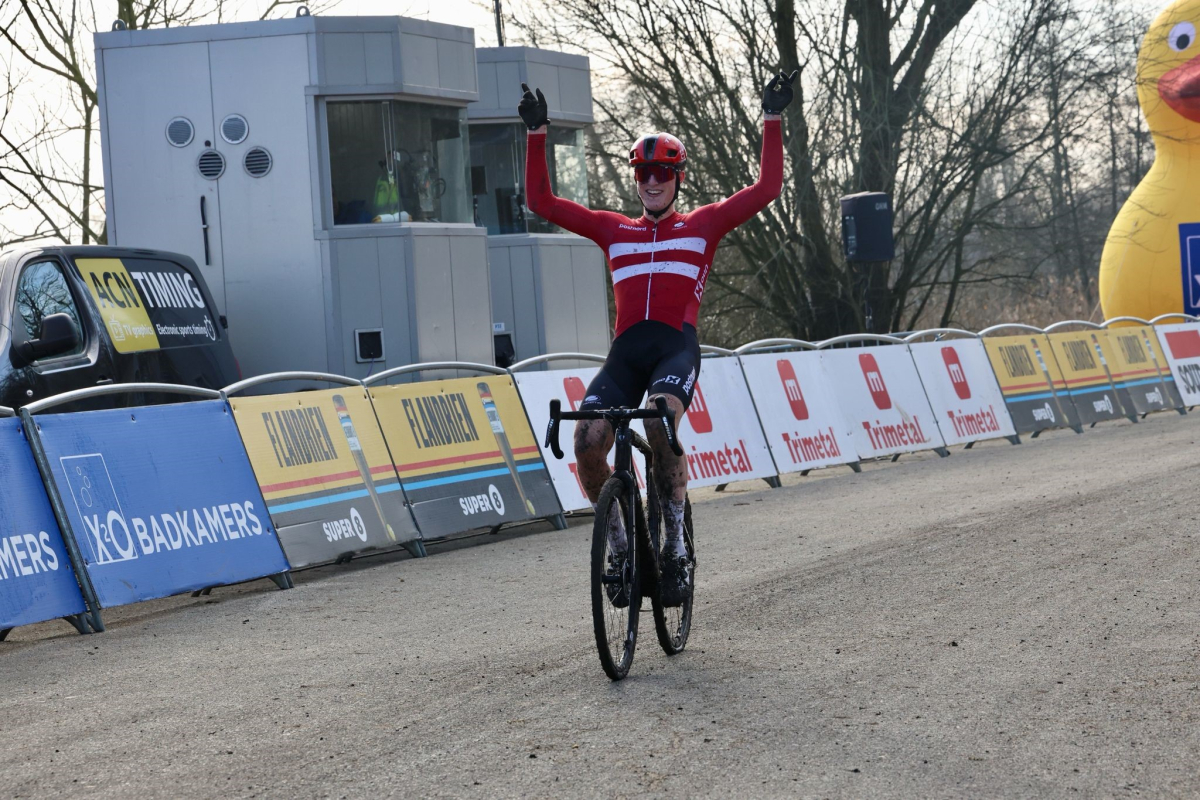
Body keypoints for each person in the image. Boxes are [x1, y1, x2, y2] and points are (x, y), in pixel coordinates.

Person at [520, 71, 796, 605]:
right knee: (584, 442)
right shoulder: (612, 229)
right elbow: (542, 202)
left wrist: (772, 119)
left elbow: (767, 189)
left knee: (664, 427)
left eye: (662, 173)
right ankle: (622, 546)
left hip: (675, 347)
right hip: (625, 355)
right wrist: (537, 134)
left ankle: (674, 547)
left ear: (678, 178)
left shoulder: (704, 225)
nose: (651, 181)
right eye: (643, 172)